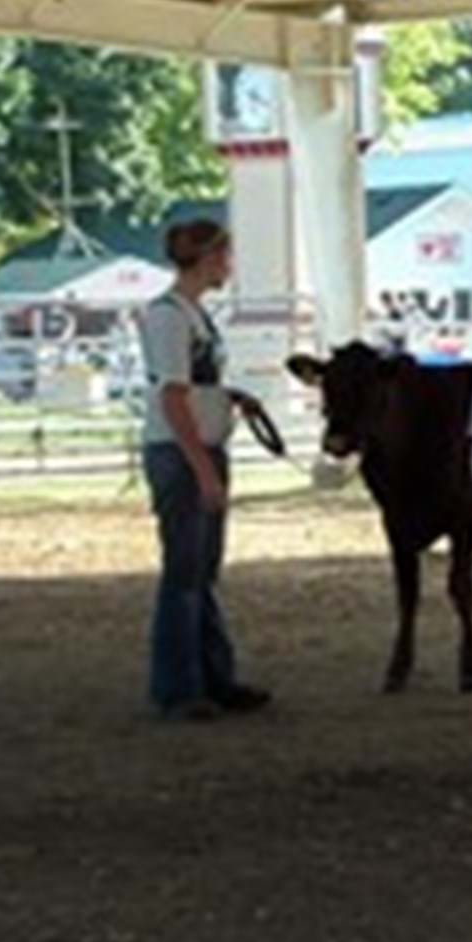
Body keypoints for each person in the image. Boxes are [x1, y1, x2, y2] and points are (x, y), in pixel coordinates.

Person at [140, 220, 269, 721]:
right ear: (207, 257)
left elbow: (190, 386)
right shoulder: (170, 317)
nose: (229, 264)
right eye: (224, 255)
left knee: (200, 570)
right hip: (183, 453)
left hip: (197, 448)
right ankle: (180, 688)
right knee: (185, 572)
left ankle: (211, 678)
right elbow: (172, 398)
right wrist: (202, 469)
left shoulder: (190, 314)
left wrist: (227, 399)